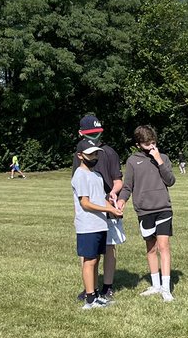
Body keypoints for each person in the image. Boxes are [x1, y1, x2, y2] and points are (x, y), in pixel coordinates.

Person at [119, 125, 177, 302]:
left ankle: (166, 289)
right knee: (151, 248)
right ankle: (155, 284)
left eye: (153, 143)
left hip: (163, 208)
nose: (151, 147)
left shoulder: (163, 158)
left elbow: (170, 180)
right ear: (138, 144)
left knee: (163, 246)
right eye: (147, 145)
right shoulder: (132, 161)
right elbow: (127, 186)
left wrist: (159, 160)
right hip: (144, 211)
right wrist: (122, 200)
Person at [72, 115, 124, 302]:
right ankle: (90, 291)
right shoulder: (79, 160)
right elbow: (82, 196)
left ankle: (106, 287)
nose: (94, 138)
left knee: (107, 248)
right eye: (90, 135)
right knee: (89, 256)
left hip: (105, 210)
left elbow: (117, 181)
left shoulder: (108, 152)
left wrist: (113, 198)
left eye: (97, 134)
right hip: (90, 215)